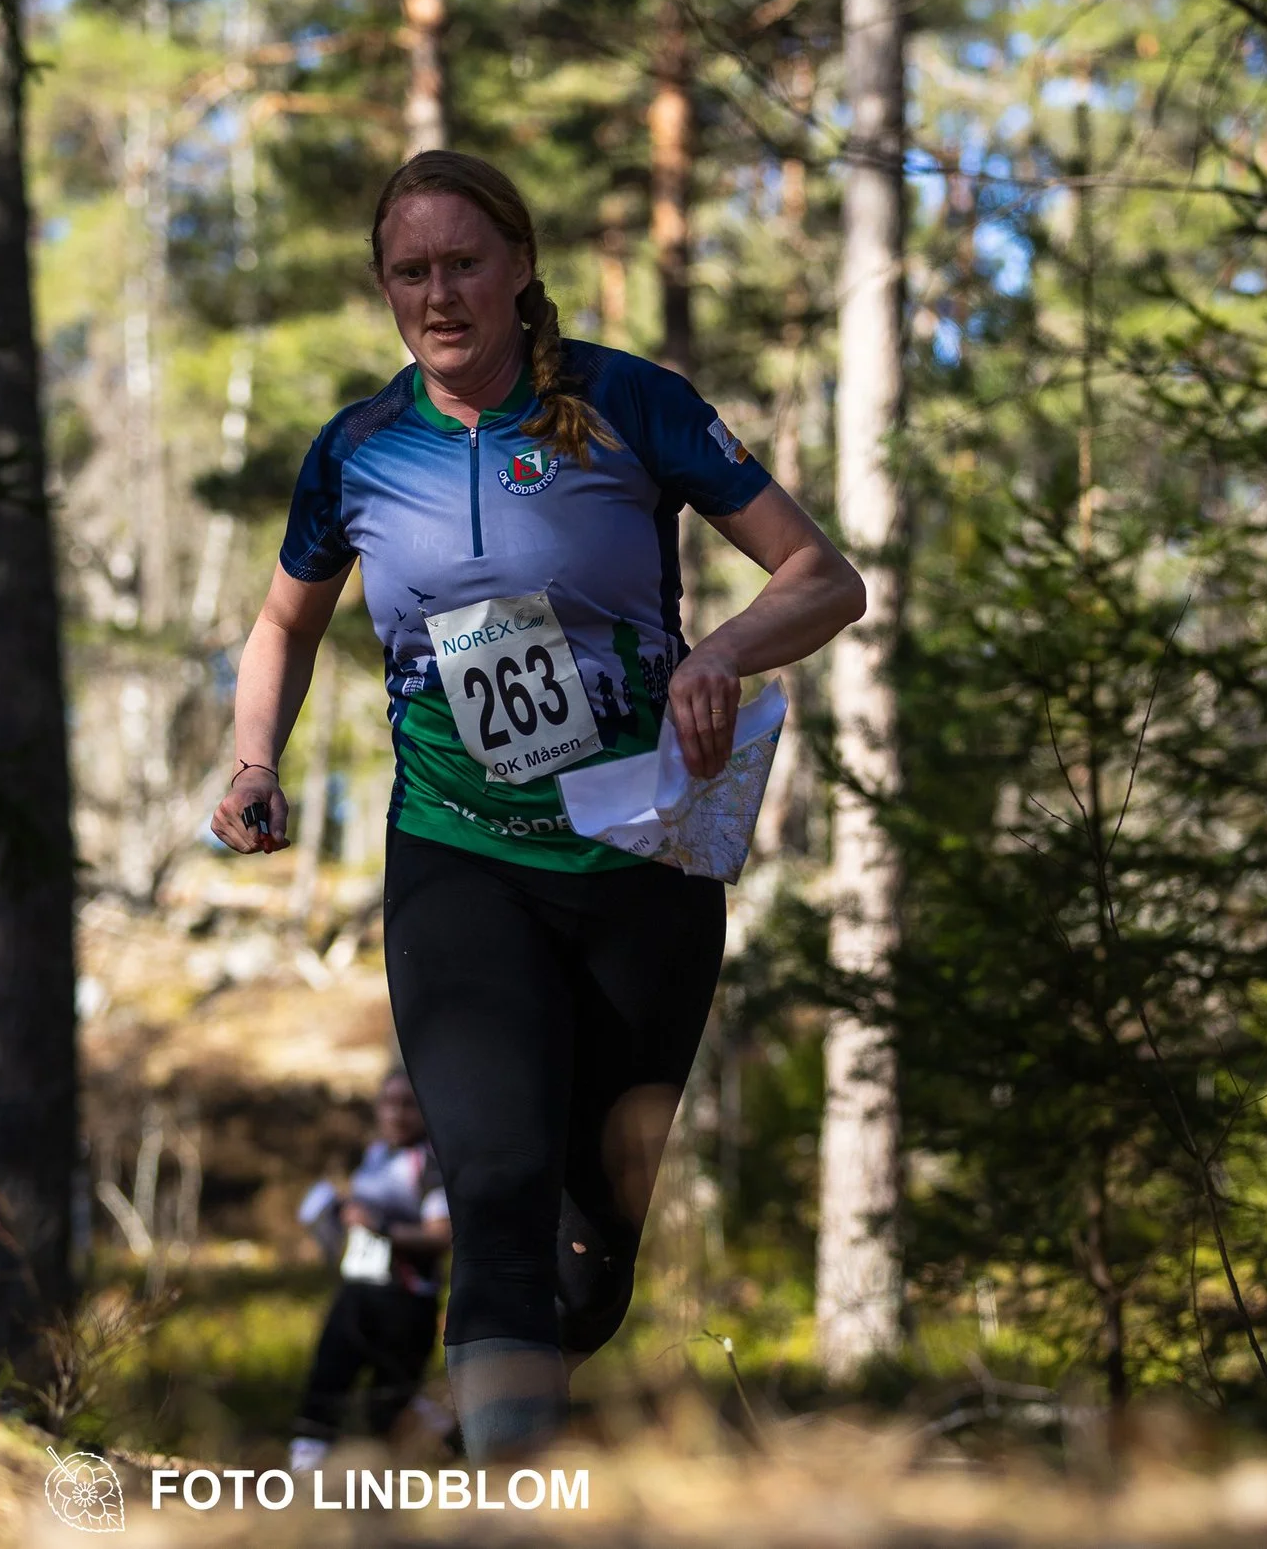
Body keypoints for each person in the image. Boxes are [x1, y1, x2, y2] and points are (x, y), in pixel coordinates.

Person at [209, 151, 865, 1461]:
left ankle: (481, 1442)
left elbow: (823, 575)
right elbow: (285, 620)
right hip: (461, 862)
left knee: (582, 1270)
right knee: (496, 1201)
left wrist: (722, 650)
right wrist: (252, 760)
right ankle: (500, 1508)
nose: (440, 293)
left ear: (519, 268)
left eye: (464, 263)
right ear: (384, 287)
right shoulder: (357, 450)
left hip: (643, 866)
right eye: (412, 271)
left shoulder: (632, 404)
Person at [287, 1070, 454, 1472]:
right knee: (326, 1383)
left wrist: (379, 1226)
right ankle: (298, 1483)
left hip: (403, 1300)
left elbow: (442, 1235)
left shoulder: (432, 1162)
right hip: (357, 1290)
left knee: (390, 1404)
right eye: (388, 1103)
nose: (396, 1114)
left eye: (407, 1104)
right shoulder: (376, 1154)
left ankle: (461, 1443)